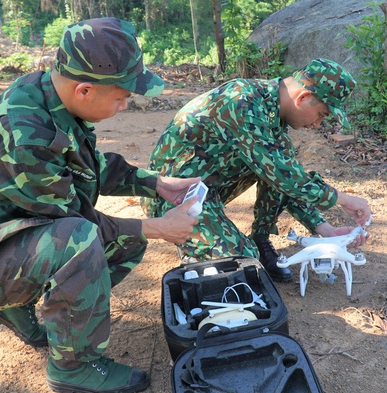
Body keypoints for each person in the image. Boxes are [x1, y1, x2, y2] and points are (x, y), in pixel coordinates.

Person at [0, 18, 201, 393]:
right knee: (80, 238)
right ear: (85, 89)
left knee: (125, 241)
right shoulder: (25, 134)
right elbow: (76, 221)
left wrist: (156, 183)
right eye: (122, 97)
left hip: (1, 239)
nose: (125, 105)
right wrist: (158, 227)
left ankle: (20, 303)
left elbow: (85, 165)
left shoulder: (51, 94)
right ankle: (74, 366)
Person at [141, 58, 372, 282]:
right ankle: (196, 247)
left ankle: (260, 239)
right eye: (321, 114)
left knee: (282, 156)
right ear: (303, 97)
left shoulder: (271, 112)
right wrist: (343, 199)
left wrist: (325, 229)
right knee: (242, 262)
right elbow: (284, 175)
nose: (317, 124)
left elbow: (285, 175)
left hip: (207, 188)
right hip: (172, 196)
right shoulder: (243, 102)